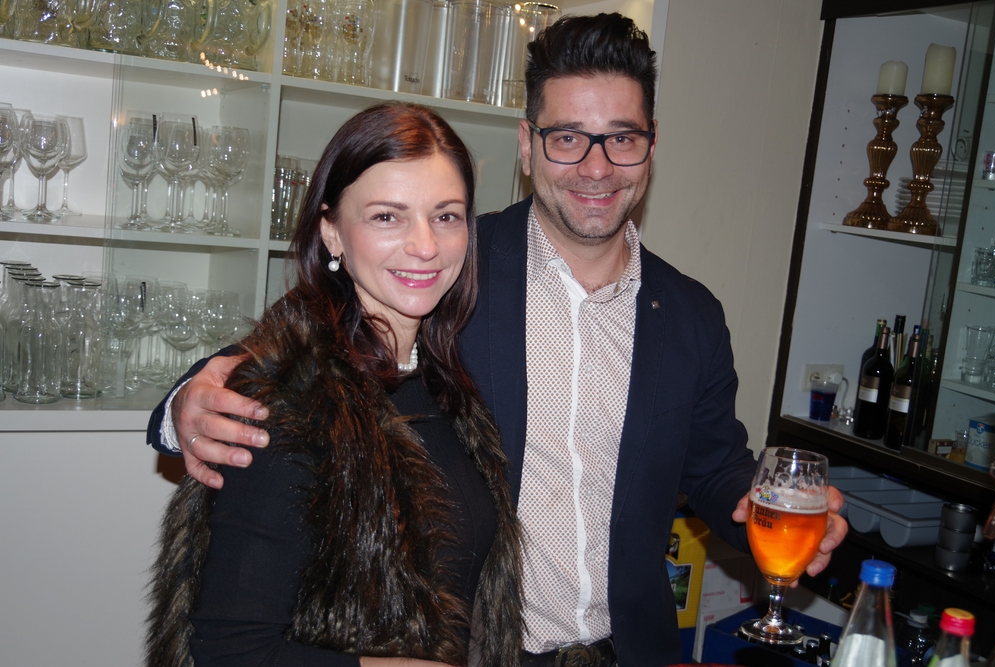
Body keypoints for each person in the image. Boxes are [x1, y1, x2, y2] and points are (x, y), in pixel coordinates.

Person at [147, 14, 847, 666]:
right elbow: (308, 340)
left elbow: (716, 465)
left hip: (631, 648)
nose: (597, 167)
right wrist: (186, 402)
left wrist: (769, 512)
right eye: (567, 137)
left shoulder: (690, 313)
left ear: (651, 145)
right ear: (527, 144)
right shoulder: (449, 268)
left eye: (622, 138)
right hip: (483, 650)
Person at [144, 103, 522, 667]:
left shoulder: (444, 377)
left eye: (446, 216)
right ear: (331, 231)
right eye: (387, 216)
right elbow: (229, 650)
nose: (425, 245)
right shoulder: (296, 402)